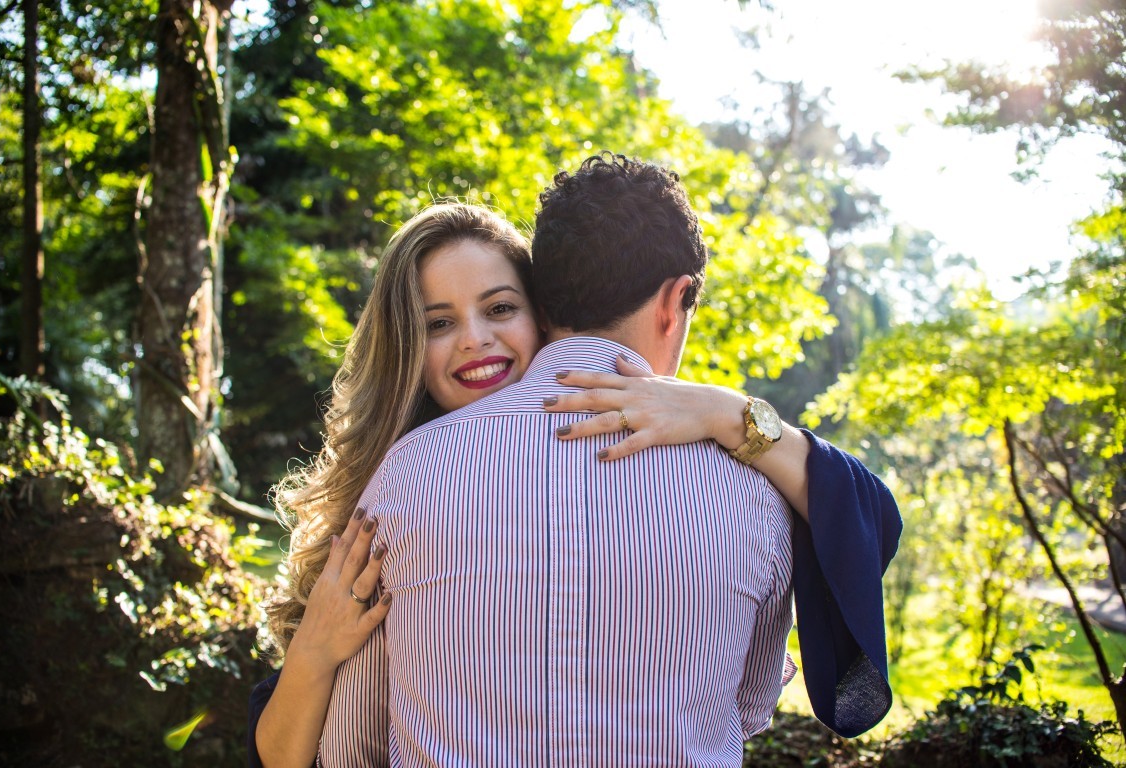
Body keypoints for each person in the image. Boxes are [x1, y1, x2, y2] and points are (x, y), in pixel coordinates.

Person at [252, 180, 901, 765]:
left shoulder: (407, 479)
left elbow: (349, 750)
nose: (476, 341)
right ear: (676, 301)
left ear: (543, 303)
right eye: (440, 324)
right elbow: (746, 710)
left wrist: (728, 412)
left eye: (499, 309)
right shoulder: (755, 493)